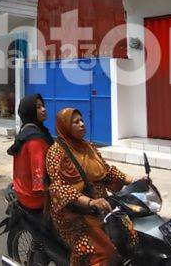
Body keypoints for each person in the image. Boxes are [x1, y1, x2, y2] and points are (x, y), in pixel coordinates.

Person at [46, 108, 138, 266]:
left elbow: (107, 171)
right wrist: (90, 202)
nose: (82, 124)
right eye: (76, 122)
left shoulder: (88, 147)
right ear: (65, 126)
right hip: (73, 213)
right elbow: (58, 188)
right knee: (96, 251)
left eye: (82, 120)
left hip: (101, 207)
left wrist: (134, 180)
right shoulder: (55, 153)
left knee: (130, 235)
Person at [7, 94, 53, 213]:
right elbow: (39, 178)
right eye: (38, 107)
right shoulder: (35, 139)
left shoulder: (26, 130)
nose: (43, 109)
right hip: (34, 198)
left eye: (43, 105)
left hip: (22, 189)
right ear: (30, 111)